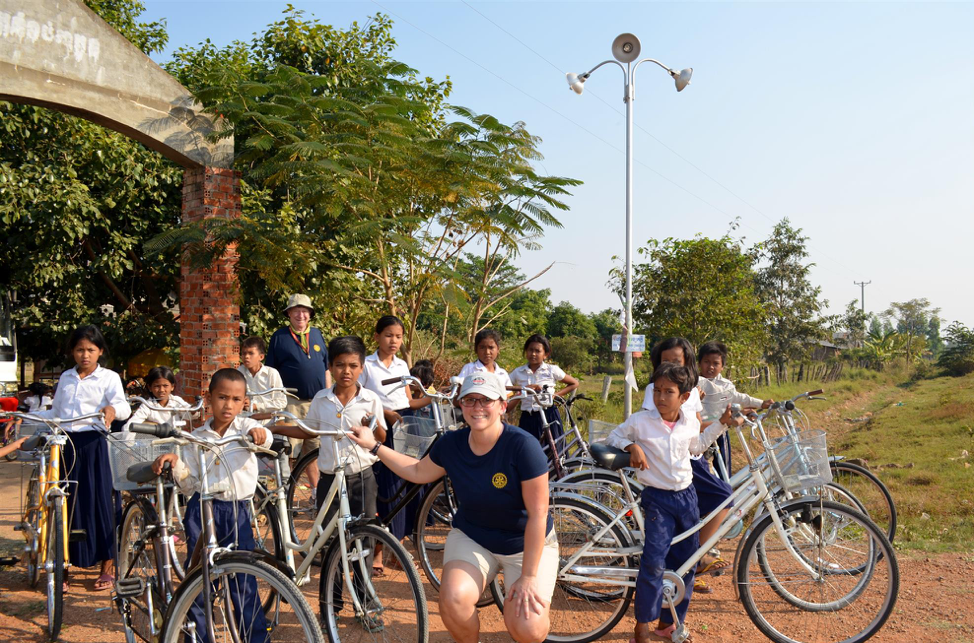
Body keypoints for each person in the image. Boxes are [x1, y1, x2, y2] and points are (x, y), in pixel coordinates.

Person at [346, 372, 558, 643]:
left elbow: (539, 514)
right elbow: (417, 470)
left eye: (486, 400)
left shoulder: (522, 446)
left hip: (524, 545)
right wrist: (375, 446)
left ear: (503, 406)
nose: (477, 407)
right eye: (470, 400)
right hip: (474, 538)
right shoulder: (452, 444)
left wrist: (528, 576)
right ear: (460, 405)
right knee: (454, 599)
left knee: (527, 626)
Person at [606, 363, 743, 643]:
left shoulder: (689, 421)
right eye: (657, 390)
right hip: (658, 500)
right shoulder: (640, 422)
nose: (660, 397)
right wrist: (632, 446)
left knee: (686, 562)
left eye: (669, 391)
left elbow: (697, 447)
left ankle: (668, 623)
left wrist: (721, 424)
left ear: (684, 397)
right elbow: (613, 436)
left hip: (687, 498)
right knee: (654, 562)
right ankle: (643, 624)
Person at [151, 368, 273, 642]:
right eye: (222, 397)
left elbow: (267, 438)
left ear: (244, 402)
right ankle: (198, 637)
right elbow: (190, 482)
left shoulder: (246, 428)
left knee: (243, 578)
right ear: (209, 398)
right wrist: (175, 460)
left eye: (235, 399)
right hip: (201, 510)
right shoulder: (197, 435)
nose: (228, 405)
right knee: (200, 579)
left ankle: (255, 637)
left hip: (236, 511)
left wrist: (260, 434)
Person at [270, 336, 387, 620]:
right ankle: (331, 605)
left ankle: (365, 604)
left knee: (363, 542)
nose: (346, 371)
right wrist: (279, 427)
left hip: (362, 478)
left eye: (352, 365)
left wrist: (370, 428)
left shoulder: (370, 399)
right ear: (331, 367)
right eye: (339, 365)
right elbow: (309, 431)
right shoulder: (322, 399)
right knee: (330, 540)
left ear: (361, 368)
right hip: (329, 481)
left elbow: (382, 436)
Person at [34, 325, 131, 591]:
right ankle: (62, 566)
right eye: (79, 350)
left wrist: (111, 409)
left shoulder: (109, 378)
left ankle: (107, 566)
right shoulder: (66, 377)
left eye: (90, 349)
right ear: (72, 352)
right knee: (64, 505)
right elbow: (56, 413)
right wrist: (26, 421)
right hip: (65, 446)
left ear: (100, 351)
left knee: (101, 503)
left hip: (95, 446)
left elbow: (123, 407)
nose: (85, 355)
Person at [640, 337, 733, 592]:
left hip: (693, 455)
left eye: (676, 361)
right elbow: (656, 423)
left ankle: (687, 566)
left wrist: (723, 421)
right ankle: (693, 561)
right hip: (677, 461)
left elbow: (694, 426)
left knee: (700, 515)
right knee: (724, 498)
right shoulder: (656, 390)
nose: (670, 366)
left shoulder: (690, 390)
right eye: (665, 361)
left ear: (687, 362)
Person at [358, 316, 430, 569]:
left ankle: (396, 548)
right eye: (389, 335)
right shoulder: (366, 365)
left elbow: (408, 402)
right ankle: (381, 552)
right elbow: (359, 399)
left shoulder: (402, 366)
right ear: (377, 336)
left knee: (411, 486)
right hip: (381, 428)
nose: (394, 341)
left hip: (405, 426)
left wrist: (435, 397)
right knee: (389, 490)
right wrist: (382, 414)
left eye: (398, 336)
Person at [265, 294, 329, 487]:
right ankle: (284, 493)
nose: (301, 315)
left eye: (305, 311)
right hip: (291, 402)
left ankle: (315, 494)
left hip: (316, 402)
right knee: (289, 450)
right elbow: (271, 373)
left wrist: (327, 394)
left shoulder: (317, 334)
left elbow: (326, 368)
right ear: (289, 313)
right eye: (296, 311)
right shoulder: (279, 337)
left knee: (313, 450)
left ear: (310, 314)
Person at [697, 341, 773, 473]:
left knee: (724, 469)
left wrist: (761, 403)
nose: (710, 367)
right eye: (706, 362)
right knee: (702, 469)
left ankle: (726, 489)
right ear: (699, 363)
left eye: (716, 364)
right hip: (700, 433)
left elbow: (741, 398)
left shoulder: (726, 385)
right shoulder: (694, 384)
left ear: (722, 367)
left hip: (721, 431)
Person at [510, 334, 579, 446]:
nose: (533, 354)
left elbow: (574, 383)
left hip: (549, 416)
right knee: (527, 452)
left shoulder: (552, 370)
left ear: (545, 354)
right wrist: (523, 391)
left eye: (537, 351)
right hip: (528, 418)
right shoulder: (518, 372)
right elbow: (505, 387)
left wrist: (555, 395)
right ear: (525, 351)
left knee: (554, 452)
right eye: (530, 350)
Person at [123, 366, 192, 431]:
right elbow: (127, 427)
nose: (161, 390)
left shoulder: (177, 401)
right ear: (150, 387)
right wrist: (153, 426)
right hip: (154, 442)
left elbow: (189, 414)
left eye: (165, 386)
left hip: (175, 441)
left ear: (172, 387)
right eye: (157, 386)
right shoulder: (148, 405)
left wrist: (194, 410)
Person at [238, 336, 287, 422]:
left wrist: (256, 406)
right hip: (246, 420)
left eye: (251, 353)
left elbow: (281, 402)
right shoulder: (239, 373)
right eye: (243, 353)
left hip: (270, 421)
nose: (246, 357)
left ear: (261, 357)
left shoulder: (272, 373)